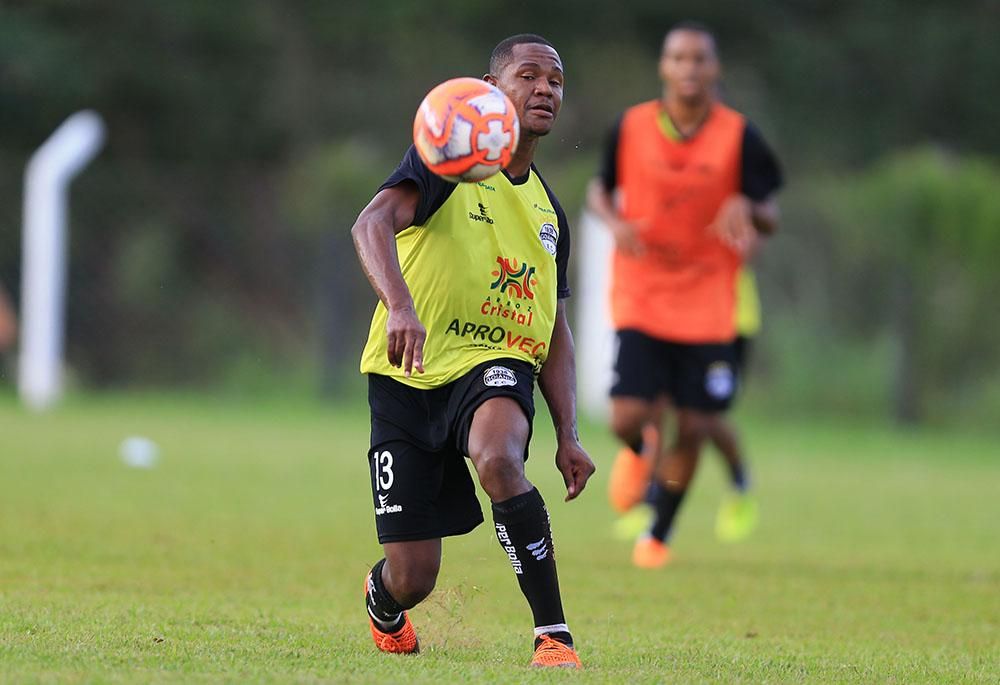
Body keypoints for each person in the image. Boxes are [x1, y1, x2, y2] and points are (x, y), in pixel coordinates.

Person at [351, 34, 595, 667]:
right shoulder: (447, 164)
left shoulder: (549, 214)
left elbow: (553, 328)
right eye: (529, 76)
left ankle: (553, 636)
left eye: (556, 80)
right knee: (414, 577)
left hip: (495, 363)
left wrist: (569, 432)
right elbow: (370, 224)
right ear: (491, 90)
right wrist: (400, 307)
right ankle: (382, 600)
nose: (545, 89)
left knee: (498, 456)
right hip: (405, 376)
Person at [586, 21, 782, 568]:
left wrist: (751, 211)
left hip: (709, 300)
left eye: (700, 59)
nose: (689, 68)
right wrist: (611, 219)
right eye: (679, 58)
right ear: (664, 67)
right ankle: (643, 455)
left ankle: (659, 534)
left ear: (715, 69)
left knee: (697, 425)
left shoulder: (740, 136)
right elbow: (599, 188)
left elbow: (771, 211)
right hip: (645, 291)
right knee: (626, 418)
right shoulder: (630, 127)